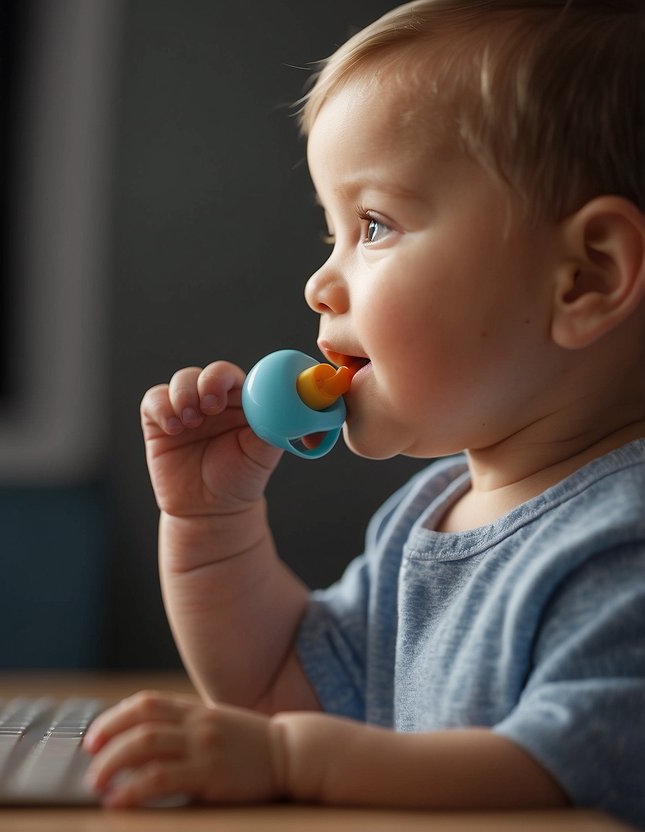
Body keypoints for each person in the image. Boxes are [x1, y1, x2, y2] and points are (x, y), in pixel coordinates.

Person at [82, 0, 645, 824]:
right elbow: (281, 689)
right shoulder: (428, 515)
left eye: (373, 224)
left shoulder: (621, 542)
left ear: (584, 279)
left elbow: (561, 772)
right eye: (330, 234)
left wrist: (286, 759)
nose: (319, 285)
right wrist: (211, 524)